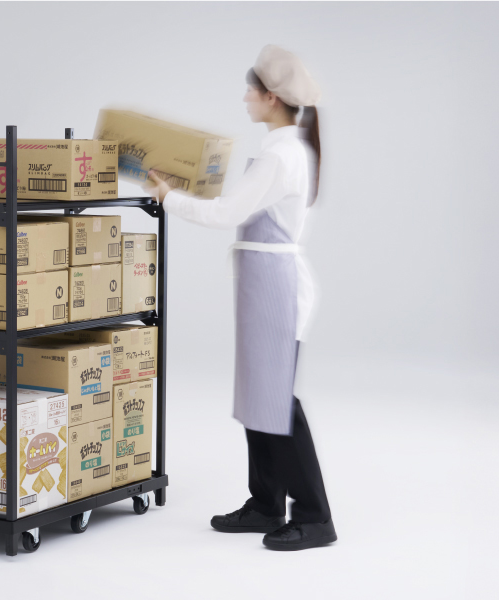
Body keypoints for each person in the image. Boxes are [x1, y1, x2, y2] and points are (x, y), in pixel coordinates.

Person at [144, 45, 337, 551]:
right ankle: (266, 504)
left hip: (274, 284)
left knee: (276, 401)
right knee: (259, 397)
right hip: (263, 278)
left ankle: (314, 517)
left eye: (251, 90)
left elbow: (226, 213)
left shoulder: (280, 156)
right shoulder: (286, 149)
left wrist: (169, 197)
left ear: (271, 96)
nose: (245, 97)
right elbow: (237, 207)